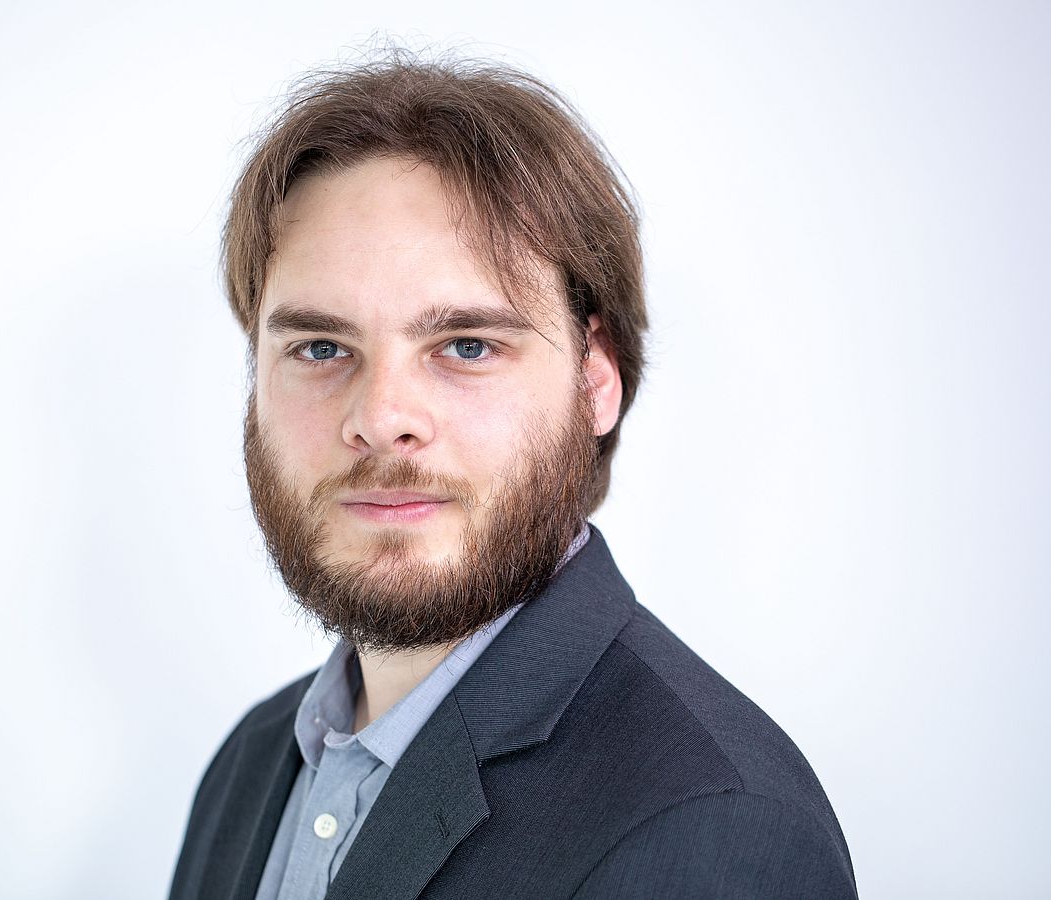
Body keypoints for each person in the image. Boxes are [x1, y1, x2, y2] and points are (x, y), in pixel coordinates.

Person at [169, 52, 857, 900]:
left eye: (466, 345)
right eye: (319, 348)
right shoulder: (248, 766)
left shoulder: (714, 824)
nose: (381, 417)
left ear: (596, 379)